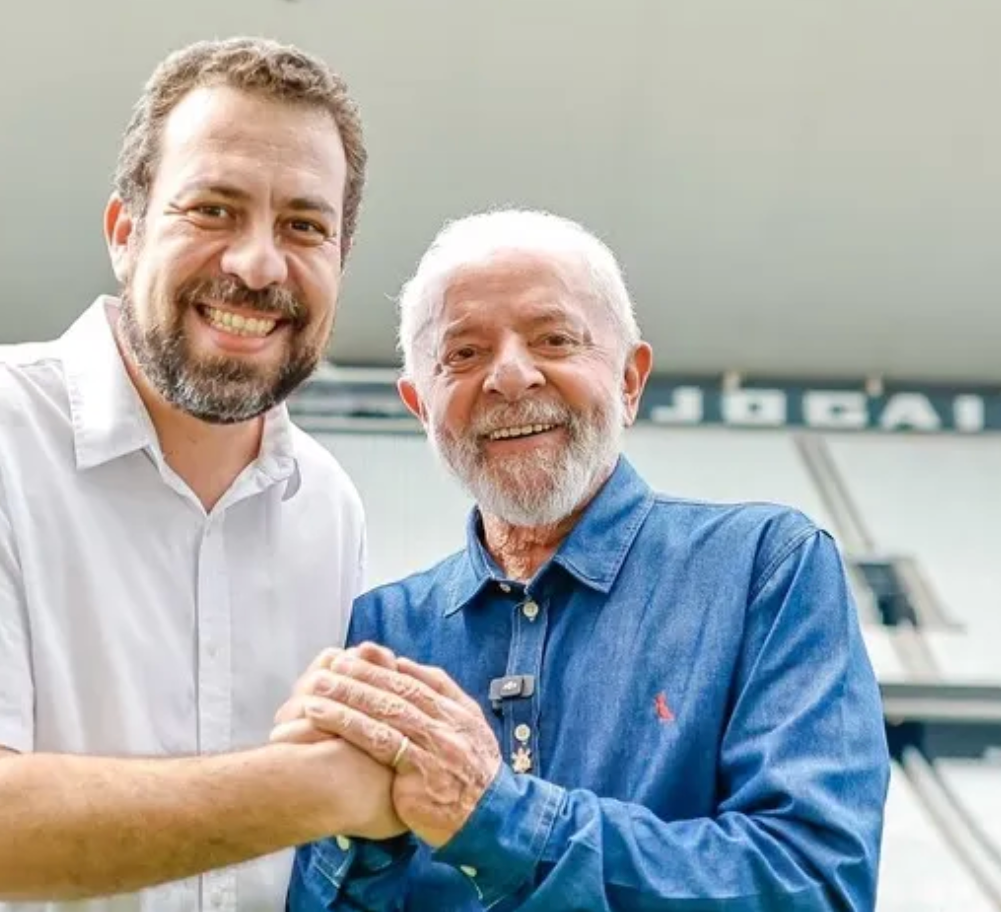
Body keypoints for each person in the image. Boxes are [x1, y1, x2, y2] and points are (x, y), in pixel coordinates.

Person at [0, 37, 405, 912]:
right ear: (125, 233)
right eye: (213, 209)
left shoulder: (327, 506)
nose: (258, 264)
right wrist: (327, 786)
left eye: (305, 226)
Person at [278, 208, 891, 911]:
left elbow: (814, 885)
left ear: (631, 381)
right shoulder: (379, 632)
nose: (510, 377)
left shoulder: (766, 570)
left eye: (555, 339)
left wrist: (496, 817)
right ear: (422, 407)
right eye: (464, 354)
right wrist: (356, 845)